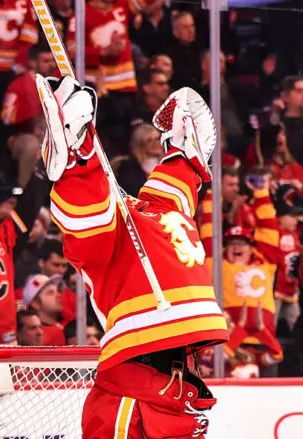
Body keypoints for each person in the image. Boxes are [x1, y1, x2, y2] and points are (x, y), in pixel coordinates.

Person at [37, 77, 226, 436]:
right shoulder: (125, 223)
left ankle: (76, 154)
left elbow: (169, 192)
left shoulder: (149, 211)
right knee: (97, 227)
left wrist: (186, 158)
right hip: (155, 360)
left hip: (156, 367)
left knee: (107, 221)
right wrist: (82, 157)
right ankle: (75, 154)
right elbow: (89, 222)